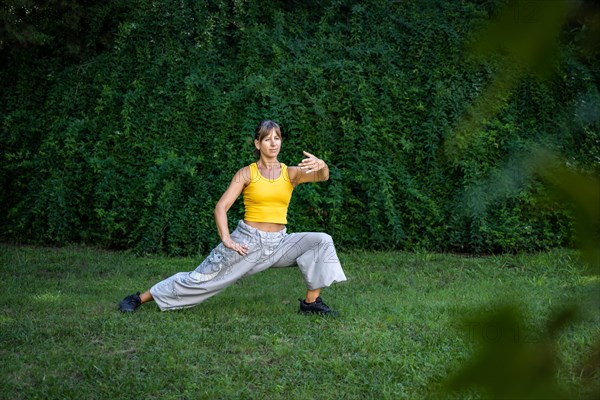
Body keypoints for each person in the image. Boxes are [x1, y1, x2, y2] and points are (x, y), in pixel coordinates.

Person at [118, 120, 347, 315]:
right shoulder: (247, 173)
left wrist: (323, 165)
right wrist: (227, 239)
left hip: (279, 243)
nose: (273, 142)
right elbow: (221, 207)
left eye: (277, 137)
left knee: (321, 241)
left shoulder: (291, 173)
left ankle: (311, 303)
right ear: (258, 144)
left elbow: (322, 176)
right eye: (267, 139)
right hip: (246, 245)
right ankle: (139, 298)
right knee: (199, 279)